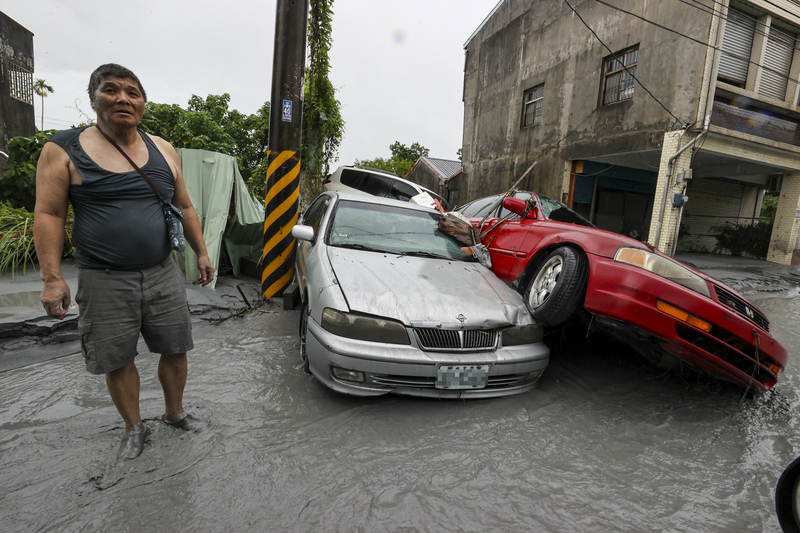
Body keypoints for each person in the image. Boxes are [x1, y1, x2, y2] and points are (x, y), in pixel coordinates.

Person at [33, 63, 215, 461]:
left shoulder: (163, 149)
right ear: (94, 97)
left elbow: (184, 205)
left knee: (176, 348)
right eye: (111, 90)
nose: (122, 99)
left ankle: (174, 413)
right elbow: (48, 214)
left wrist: (201, 252)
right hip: (103, 276)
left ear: (143, 103)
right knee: (117, 357)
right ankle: (134, 426)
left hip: (162, 271)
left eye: (132, 93)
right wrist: (52, 278)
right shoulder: (64, 149)